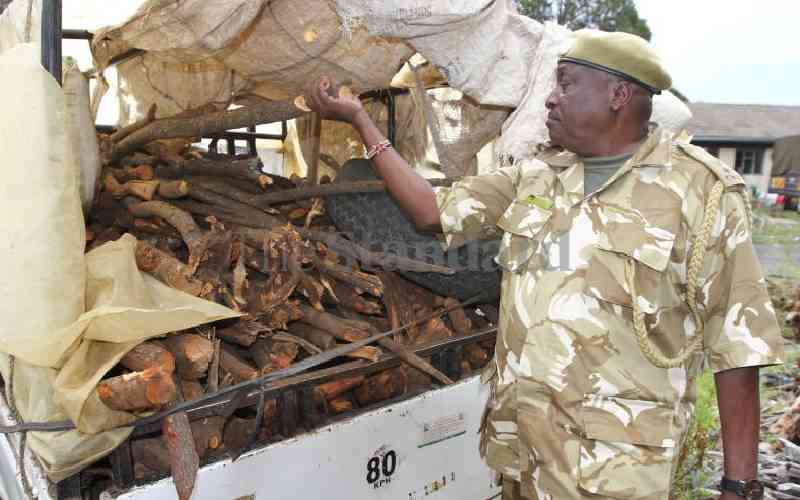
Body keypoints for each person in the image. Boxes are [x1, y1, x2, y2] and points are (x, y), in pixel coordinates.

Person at [304, 29, 783, 500]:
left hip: (612, 469)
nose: (550, 100)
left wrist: (739, 487)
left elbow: (738, 345)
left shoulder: (701, 192)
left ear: (619, 94)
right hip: (524, 451)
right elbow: (431, 210)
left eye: (566, 83)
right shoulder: (537, 176)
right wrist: (361, 123)